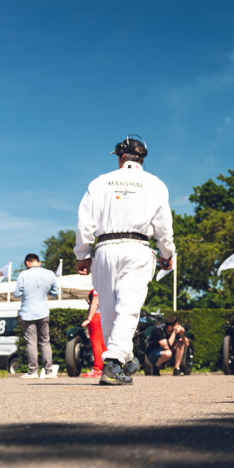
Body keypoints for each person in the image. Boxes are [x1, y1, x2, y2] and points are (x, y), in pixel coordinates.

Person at [75, 135, 175, 386]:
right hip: (137, 247)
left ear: (121, 158)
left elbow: (84, 222)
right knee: (128, 307)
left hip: (105, 248)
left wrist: (83, 255)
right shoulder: (155, 184)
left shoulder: (99, 182)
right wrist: (166, 254)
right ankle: (116, 361)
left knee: (108, 311)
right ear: (142, 158)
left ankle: (123, 361)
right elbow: (164, 225)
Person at [14, 255, 61, 378]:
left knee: (31, 342)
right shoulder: (50, 274)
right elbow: (55, 293)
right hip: (43, 311)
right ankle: (49, 371)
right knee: (45, 341)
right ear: (39, 262)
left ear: (27, 263)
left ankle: (33, 371)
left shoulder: (23, 275)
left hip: (27, 312)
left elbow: (17, 293)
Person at [79, 289, 105, 378]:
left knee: (96, 344)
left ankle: (97, 369)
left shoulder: (97, 288)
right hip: (105, 316)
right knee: (104, 343)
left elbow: (95, 303)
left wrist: (89, 318)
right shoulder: (109, 286)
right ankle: (106, 367)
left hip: (96, 316)